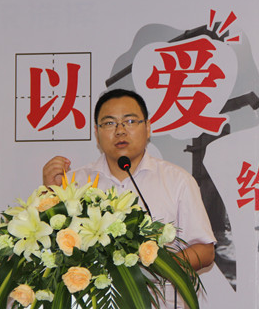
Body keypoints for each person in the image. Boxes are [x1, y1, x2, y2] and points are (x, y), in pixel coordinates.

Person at [42, 88, 216, 272]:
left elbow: (204, 251)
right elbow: (48, 250)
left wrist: (158, 270)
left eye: (130, 121)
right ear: (97, 132)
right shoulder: (74, 182)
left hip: (159, 290)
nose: (120, 131)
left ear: (147, 128)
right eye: (109, 123)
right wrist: (50, 194)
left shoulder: (177, 180)